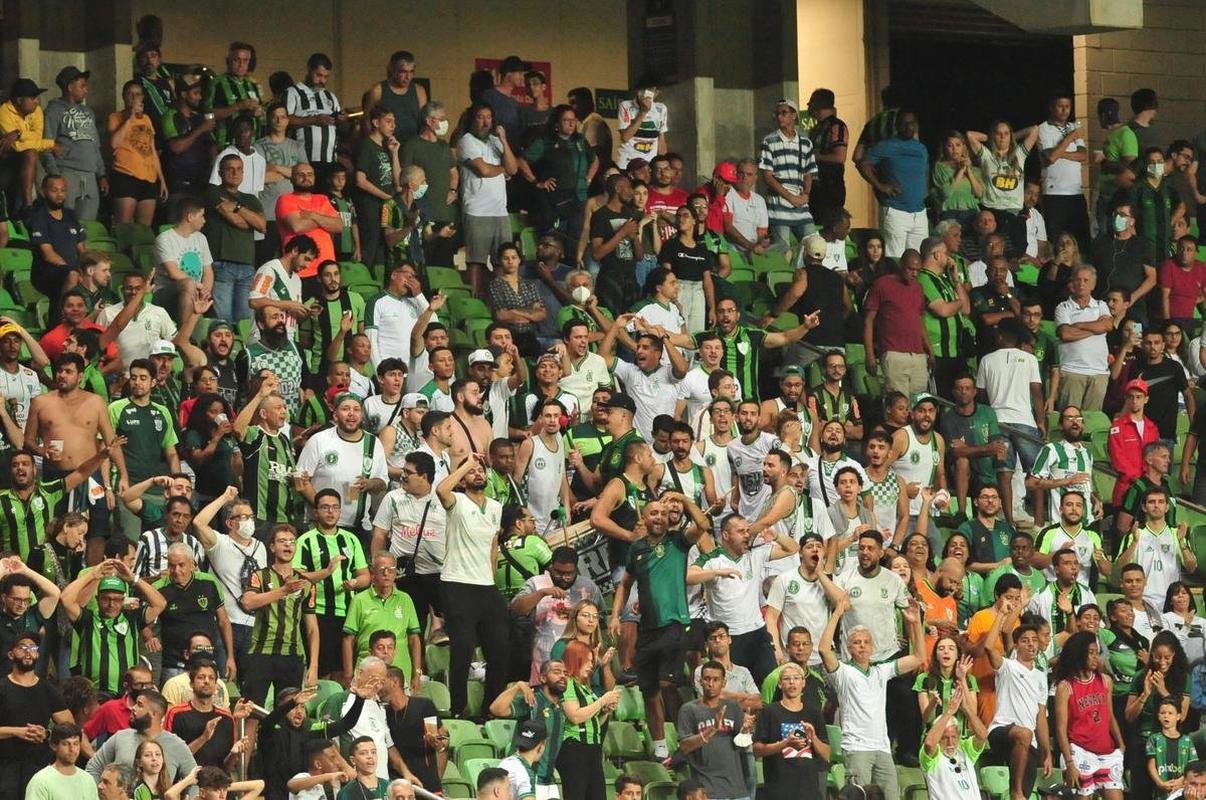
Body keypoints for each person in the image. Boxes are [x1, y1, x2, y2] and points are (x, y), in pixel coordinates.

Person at [820, 594, 923, 800]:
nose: (862, 645)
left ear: (872, 647)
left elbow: (919, 658)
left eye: (866, 642)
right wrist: (837, 613)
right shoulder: (843, 673)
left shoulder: (880, 672)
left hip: (883, 747)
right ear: (849, 649)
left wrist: (916, 625)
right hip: (857, 748)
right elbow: (824, 649)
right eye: (857, 642)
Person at [435, 453, 510, 716]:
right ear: (463, 479)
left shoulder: (495, 507)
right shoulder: (457, 501)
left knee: (500, 649)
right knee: (463, 649)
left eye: (481, 470)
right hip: (457, 583)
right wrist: (466, 463)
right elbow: (441, 489)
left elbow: (492, 548)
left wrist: (490, 579)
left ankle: (490, 708)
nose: (478, 474)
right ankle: (458, 708)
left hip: (485, 585)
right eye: (472, 472)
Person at [1051, 631, 1125, 800]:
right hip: (1079, 751)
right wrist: (1069, 763)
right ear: (1079, 654)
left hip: (1106, 751)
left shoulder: (1105, 680)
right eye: (1090, 653)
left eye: (1096, 653)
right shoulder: (1065, 687)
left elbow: (1110, 715)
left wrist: (1121, 745)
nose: (1095, 657)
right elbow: (1060, 729)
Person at [459, 103, 519, 295]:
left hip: (500, 210)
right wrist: (503, 169)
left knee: (500, 261)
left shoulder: (496, 140)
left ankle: (500, 298)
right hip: (477, 210)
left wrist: (503, 139)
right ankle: (476, 300)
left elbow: (514, 169)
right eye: (480, 117)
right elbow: (483, 170)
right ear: (473, 119)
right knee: (476, 261)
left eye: (488, 117)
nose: (485, 121)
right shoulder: (466, 141)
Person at [84, 689, 196, 784]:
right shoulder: (121, 737)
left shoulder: (176, 745)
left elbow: (195, 779)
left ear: (153, 713)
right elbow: (94, 767)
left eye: (140, 705)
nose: (133, 708)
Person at [677, 660, 752, 800]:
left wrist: (746, 731)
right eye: (707, 679)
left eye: (716, 679)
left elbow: (744, 744)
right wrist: (711, 730)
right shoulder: (689, 710)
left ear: (724, 683)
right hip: (707, 790)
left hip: (737, 789)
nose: (711, 684)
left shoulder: (733, 707)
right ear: (700, 681)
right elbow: (685, 746)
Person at [860, 111, 928, 258]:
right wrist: (880, 185)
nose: (909, 127)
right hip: (896, 210)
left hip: (919, 212)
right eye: (905, 123)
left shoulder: (921, 148)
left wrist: (925, 190)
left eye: (912, 123)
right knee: (895, 258)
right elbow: (863, 163)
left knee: (917, 258)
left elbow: (925, 169)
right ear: (897, 126)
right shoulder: (886, 146)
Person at [758, 98, 819, 248]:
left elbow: (809, 172)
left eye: (784, 113)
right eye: (777, 114)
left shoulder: (805, 143)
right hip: (779, 207)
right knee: (782, 247)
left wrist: (806, 194)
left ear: (794, 115)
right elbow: (767, 175)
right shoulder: (769, 141)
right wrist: (790, 196)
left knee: (814, 245)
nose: (780, 117)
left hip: (800, 206)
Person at [108, 80, 166, 226]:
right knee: (124, 226)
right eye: (130, 94)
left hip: (148, 178)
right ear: (123, 96)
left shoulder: (147, 119)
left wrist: (162, 180)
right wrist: (130, 117)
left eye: (138, 94)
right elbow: (114, 143)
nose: (134, 97)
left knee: (144, 230)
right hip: (126, 175)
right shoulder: (115, 117)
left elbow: (152, 151)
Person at [1055, 266, 1113, 412]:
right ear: (1072, 283)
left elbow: (1107, 325)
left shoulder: (1101, 305)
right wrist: (1095, 329)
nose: (1081, 284)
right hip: (1072, 370)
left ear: (1093, 285)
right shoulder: (1063, 307)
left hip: (1099, 372)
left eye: (1086, 280)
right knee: (1068, 418)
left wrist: (1080, 324)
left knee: (1091, 422)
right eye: (1078, 280)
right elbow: (1066, 334)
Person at [25, 722, 98, 800]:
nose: (72, 749)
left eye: (75, 744)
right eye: (65, 744)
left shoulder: (88, 779)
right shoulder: (41, 780)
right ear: (53, 746)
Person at [616, 82, 668, 169]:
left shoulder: (661, 109)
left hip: (648, 165)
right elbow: (625, 137)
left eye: (650, 90)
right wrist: (643, 112)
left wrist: (663, 164)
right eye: (642, 89)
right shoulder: (626, 106)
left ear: (656, 93)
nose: (645, 93)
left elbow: (661, 139)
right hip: (627, 164)